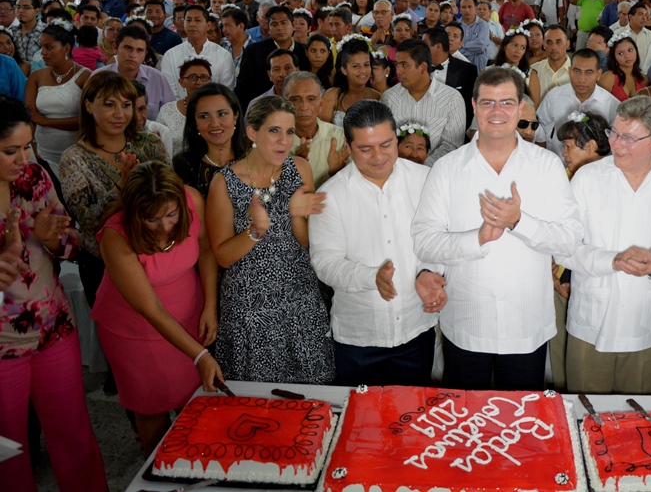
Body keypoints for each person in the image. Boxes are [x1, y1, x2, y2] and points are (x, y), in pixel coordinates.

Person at [411, 67, 582, 390]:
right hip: (466, 321)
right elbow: (425, 242)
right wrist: (477, 239)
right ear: (473, 107)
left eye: (506, 103)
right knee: (463, 422)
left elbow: (570, 240)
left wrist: (519, 222)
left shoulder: (546, 166)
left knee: (522, 425)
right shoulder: (447, 169)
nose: (497, 112)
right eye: (488, 103)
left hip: (526, 323)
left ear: (520, 108)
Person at [555, 96, 651, 394]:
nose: (617, 144)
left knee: (636, 426)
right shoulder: (588, 178)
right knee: (587, 416)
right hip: (591, 325)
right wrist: (612, 261)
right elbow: (564, 248)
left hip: (647, 329)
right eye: (614, 133)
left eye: (628, 138)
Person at [0, 96, 108, 492]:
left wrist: (52, 241)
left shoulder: (35, 178)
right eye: (11, 150)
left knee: (73, 434)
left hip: (52, 327)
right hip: (2, 344)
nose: (24, 158)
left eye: (28, 146)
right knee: (9, 449)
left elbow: (70, 241)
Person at [309, 100, 445, 387]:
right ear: (348, 146)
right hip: (358, 337)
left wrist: (429, 271)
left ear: (396, 138)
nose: (378, 157)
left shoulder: (425, 180)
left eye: (386, 145)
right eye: (365, 149)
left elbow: (437, 239)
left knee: (412, 418)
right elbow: (325, 263)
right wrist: (370, 277)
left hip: (415, 329)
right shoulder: (330, 195)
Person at [93, 161, 222, 454]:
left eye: (172, 215)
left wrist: (210, 305)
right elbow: (150, 308)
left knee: (194, 402)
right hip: (135, 332)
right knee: (151, 407)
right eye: (152, 220)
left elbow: (204, 248)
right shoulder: (115, 238)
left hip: (189, 313)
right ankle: (158, 468)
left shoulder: (192, 199)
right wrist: (199, 355)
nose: (165, 226)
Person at [206, 95, 334, 384]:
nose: (284, 141)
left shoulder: (299, 168)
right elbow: (223, 256)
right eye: (274, 131)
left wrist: (296, 215)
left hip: (300, 301)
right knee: (259, 403)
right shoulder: (224, 182)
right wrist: (256, 231)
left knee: (312, 397)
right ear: (252, 133)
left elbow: (305, 242)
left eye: (289, 132)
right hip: (250, 307)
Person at [59, 71, 169, 308]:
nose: (120, 114)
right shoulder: (74, 159)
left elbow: (171, 194)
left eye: (126, 105)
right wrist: (122, 185)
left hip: (155, 253)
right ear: (89, 106)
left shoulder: (149, 144)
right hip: (103, 264)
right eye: (109, 105)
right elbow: (88, 221)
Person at [381, 39, 466, 166]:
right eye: (397, 65)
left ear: (423, 67)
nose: (398, 71)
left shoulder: (451, 99)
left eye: (405, 65)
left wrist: (424, 168)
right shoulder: (389, 98)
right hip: (395, 172)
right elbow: (383, 140)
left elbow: (452, 145)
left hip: (435, 173)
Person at [24, 21, 91, 172]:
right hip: (41, 151)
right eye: (41, 47)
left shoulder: (85, 77)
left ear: (66, 48)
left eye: (49, 47)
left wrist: (46, 121)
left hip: (76, 151)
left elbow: (89, 118)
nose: (43, 53)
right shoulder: (36, 77)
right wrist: (33, 148)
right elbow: (30, 116)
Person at [536, 49, 618, 159]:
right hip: (558, 163)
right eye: (576, 71)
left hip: (594, 169)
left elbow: (616, 142)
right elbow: (540, 126)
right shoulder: (554, 96)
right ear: (569, 71)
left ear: (598, 74)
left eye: (589, 73)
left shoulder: (611, 105)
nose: (581, 79)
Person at [172, 84, 246, 198]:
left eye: (222, 114)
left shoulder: (253, 157)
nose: (215, 124)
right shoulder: (184, 165)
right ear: (195, 123)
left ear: (235, 116)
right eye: (204, 116)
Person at [234, 5, 310, 108]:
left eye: (284, 23)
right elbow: (243, 89)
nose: (279, 28)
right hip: (263, 109)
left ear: (293, 26)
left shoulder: (305, 52)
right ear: (269, 29)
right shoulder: (254, 51)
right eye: (274, 24)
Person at [96, 24, 176, 120]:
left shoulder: (157, 78)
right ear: (115, 48)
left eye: (139, 50)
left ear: (145, 54)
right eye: (128, 48)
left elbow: (171, 116)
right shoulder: (98, 77)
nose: (133, 55)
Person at [285, 72, 348, 188]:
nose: (304, 107)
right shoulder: (273, 142)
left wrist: (336, 174)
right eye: (295, 99)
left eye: (311, 99)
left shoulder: (339, 137)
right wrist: (295, 165)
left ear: (321, 104)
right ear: (283, 104)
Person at [162, 5, 235, 100]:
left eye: (197, 20)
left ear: (208, 25)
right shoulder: (170, 55)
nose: (192, 24)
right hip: (179, 111)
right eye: (188, 20)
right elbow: (170, 94)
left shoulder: (223, 55)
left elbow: (226, 92)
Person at [423, 27, 478, 132]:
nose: (421, 49)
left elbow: (470, 106)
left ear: (438, 46)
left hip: (455, 130)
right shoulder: (419, 67)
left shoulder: (467, 70)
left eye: (425, 45)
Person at [157, 57, 213, 155]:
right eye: (192, 77)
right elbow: (157, 145)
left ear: (210, 81)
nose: (199, 82)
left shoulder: (219, 110)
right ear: (181, 82)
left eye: (203, 77)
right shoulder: (167, 111)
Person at [527, 25, 571, 105]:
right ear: (543, 44)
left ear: (567, 44)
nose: (553, 47)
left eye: (558, 42)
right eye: (549, 42)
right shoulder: (534, 70)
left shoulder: (578, 71)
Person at [598, 32, 649, 101]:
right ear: (614, 57)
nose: (627, 56)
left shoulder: (644, 79)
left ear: (636, 50)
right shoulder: (608, 78)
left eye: (630, 50)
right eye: (620, 53)